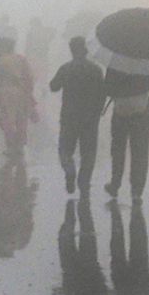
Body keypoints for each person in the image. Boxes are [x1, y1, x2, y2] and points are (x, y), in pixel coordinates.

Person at [49, 36, 106, 195]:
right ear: (86, 50)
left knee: (65, 150)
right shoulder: (96, 70)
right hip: (90, 117)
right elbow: (103, 93)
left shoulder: (66, 68)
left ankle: (69, 170)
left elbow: (53, 86)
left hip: (69, 116)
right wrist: (99, 110)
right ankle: (84, 181)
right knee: (88, 152)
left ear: (71, 50)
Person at [103, 67, 149, 201]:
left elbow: (107, 89)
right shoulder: (143, 64)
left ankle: (115, 185)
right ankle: (137, 191)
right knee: (140, 152)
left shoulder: (115, 65)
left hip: (120, 114)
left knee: (118, 151)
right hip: (141, 114)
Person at [0, 38, 36, 154]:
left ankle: (11, 146)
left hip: (6, 91)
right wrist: (29, 92)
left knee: (8, 119)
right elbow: (29, 77)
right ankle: (20, 146)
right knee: (21, 119)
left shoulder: (1, 60)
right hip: (22, 91)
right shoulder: (21, 59)